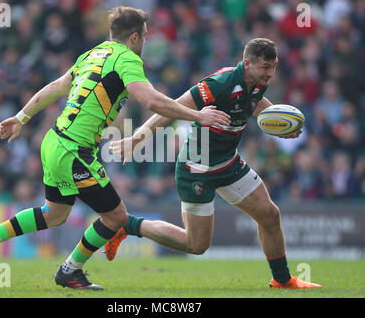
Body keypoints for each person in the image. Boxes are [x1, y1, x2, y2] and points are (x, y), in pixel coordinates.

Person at [0, 6, 229, 290]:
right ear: (135, 37)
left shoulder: (92, 54)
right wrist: (199, 115)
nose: (144, 42)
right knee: (116, 216)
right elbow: (152, 101)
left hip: (54, 141)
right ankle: (69, 270)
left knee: (55, 214)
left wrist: (21, 117)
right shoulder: (127, 59)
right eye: (144, 37)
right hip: (74, 150)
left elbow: (56, 86)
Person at [105, 38, 323, 289]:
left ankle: (282, 280)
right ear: (247, 63)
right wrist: (136, 139)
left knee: (270, 215)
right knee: (196, 245)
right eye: (265, 67)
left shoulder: (257, 81)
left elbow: (255, 102)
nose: (270, 73)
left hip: (228, 163)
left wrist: (278, 121)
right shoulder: (220, 84)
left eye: (273, 67)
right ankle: (129, 225)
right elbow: (170, 109)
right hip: (196, 169)